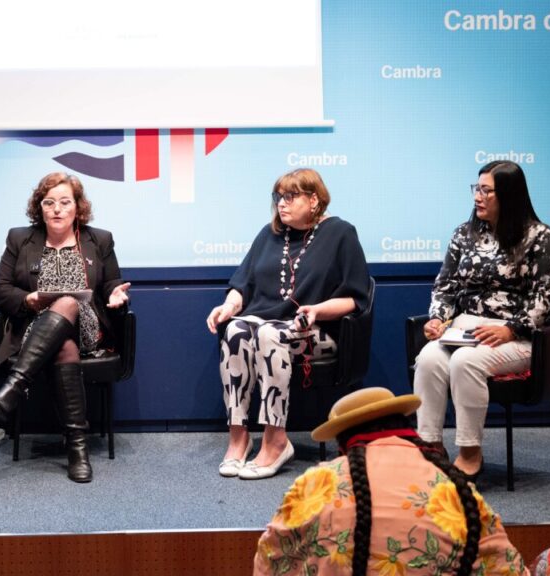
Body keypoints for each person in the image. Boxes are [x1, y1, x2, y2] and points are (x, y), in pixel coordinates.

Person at [254, 387, 530, 575]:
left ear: (342, 442)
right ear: (404, 427)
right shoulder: (455, 487)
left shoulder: (315, 484)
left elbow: (269, 559)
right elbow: (506, 565)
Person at [206, 168, 369, 480]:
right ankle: (238, 437)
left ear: (314, 200)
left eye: (290, 197)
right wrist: (227, 307)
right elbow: (242, 285)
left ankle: (276, 440)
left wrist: (318, 310)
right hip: (266, 322)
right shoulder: (269, 235)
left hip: (318, 331)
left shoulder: (341, 233)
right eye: (278, 197)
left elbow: (355, 298)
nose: (281, 203)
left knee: (269, 333)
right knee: (236, 330)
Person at [414, 161, 550, 480]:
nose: (478, 197)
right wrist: (438, 319)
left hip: (519, 336)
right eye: (476, 189)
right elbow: (446, 285)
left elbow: (545, 297)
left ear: (509, 195)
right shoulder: (465, 234)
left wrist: (511, 329)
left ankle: (470, 453)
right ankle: (431, 447)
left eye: (486, 191)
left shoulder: (540, 238)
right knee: (428, 358)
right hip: (465, 328)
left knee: (466, 362)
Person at [0, 172, 130, 483]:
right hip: (35, 327)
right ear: (40, 207)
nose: (57, 209)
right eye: (49, 203)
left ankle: (14, 386)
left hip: (88, 327)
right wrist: (28, 299)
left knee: (67, 302)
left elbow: (112, 282)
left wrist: (117, 295)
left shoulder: (99, 239)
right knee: (64, 347)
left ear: (78, 207)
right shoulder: (20, 239)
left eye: (65, 202)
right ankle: (78, 450)